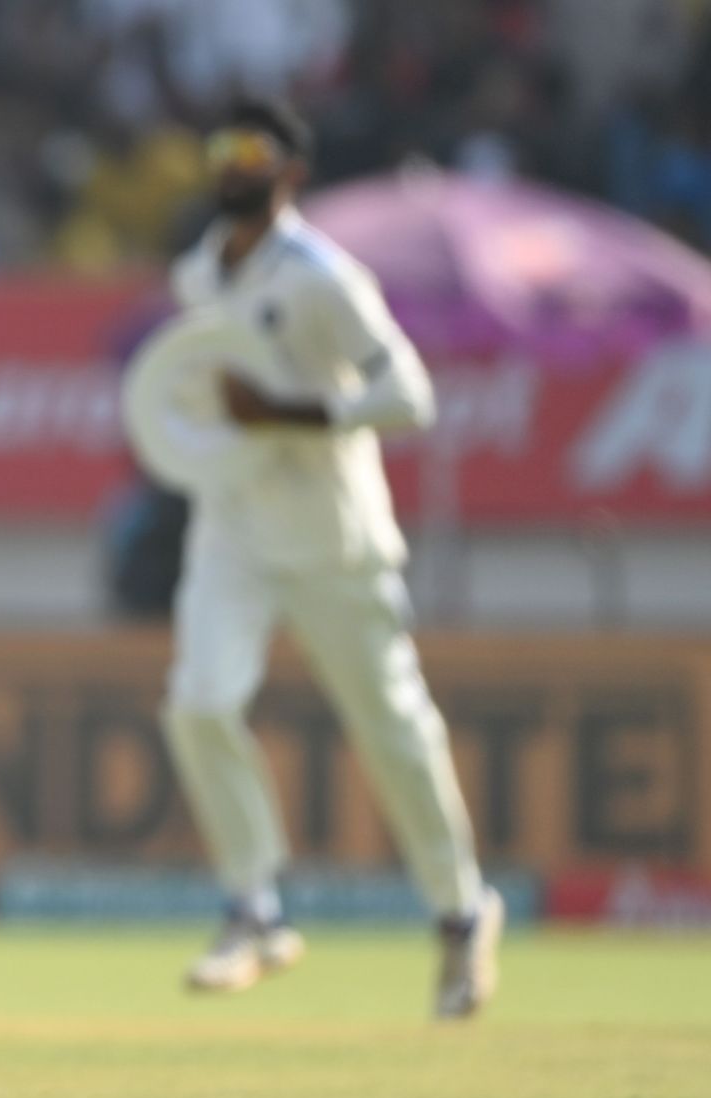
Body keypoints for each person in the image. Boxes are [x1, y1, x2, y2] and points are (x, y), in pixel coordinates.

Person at [160, 98, 503, 1018]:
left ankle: (462, 915)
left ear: (290, 172)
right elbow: (190, 390)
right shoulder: (197, 275)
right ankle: (253, 908)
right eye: (221, 148)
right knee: (199, 703)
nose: (233, 165)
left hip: (332, 534)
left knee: (392, 731)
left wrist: (301, 414)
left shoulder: (323, 276)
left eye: (252, 151)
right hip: (233, 523)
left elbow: (411, 395)